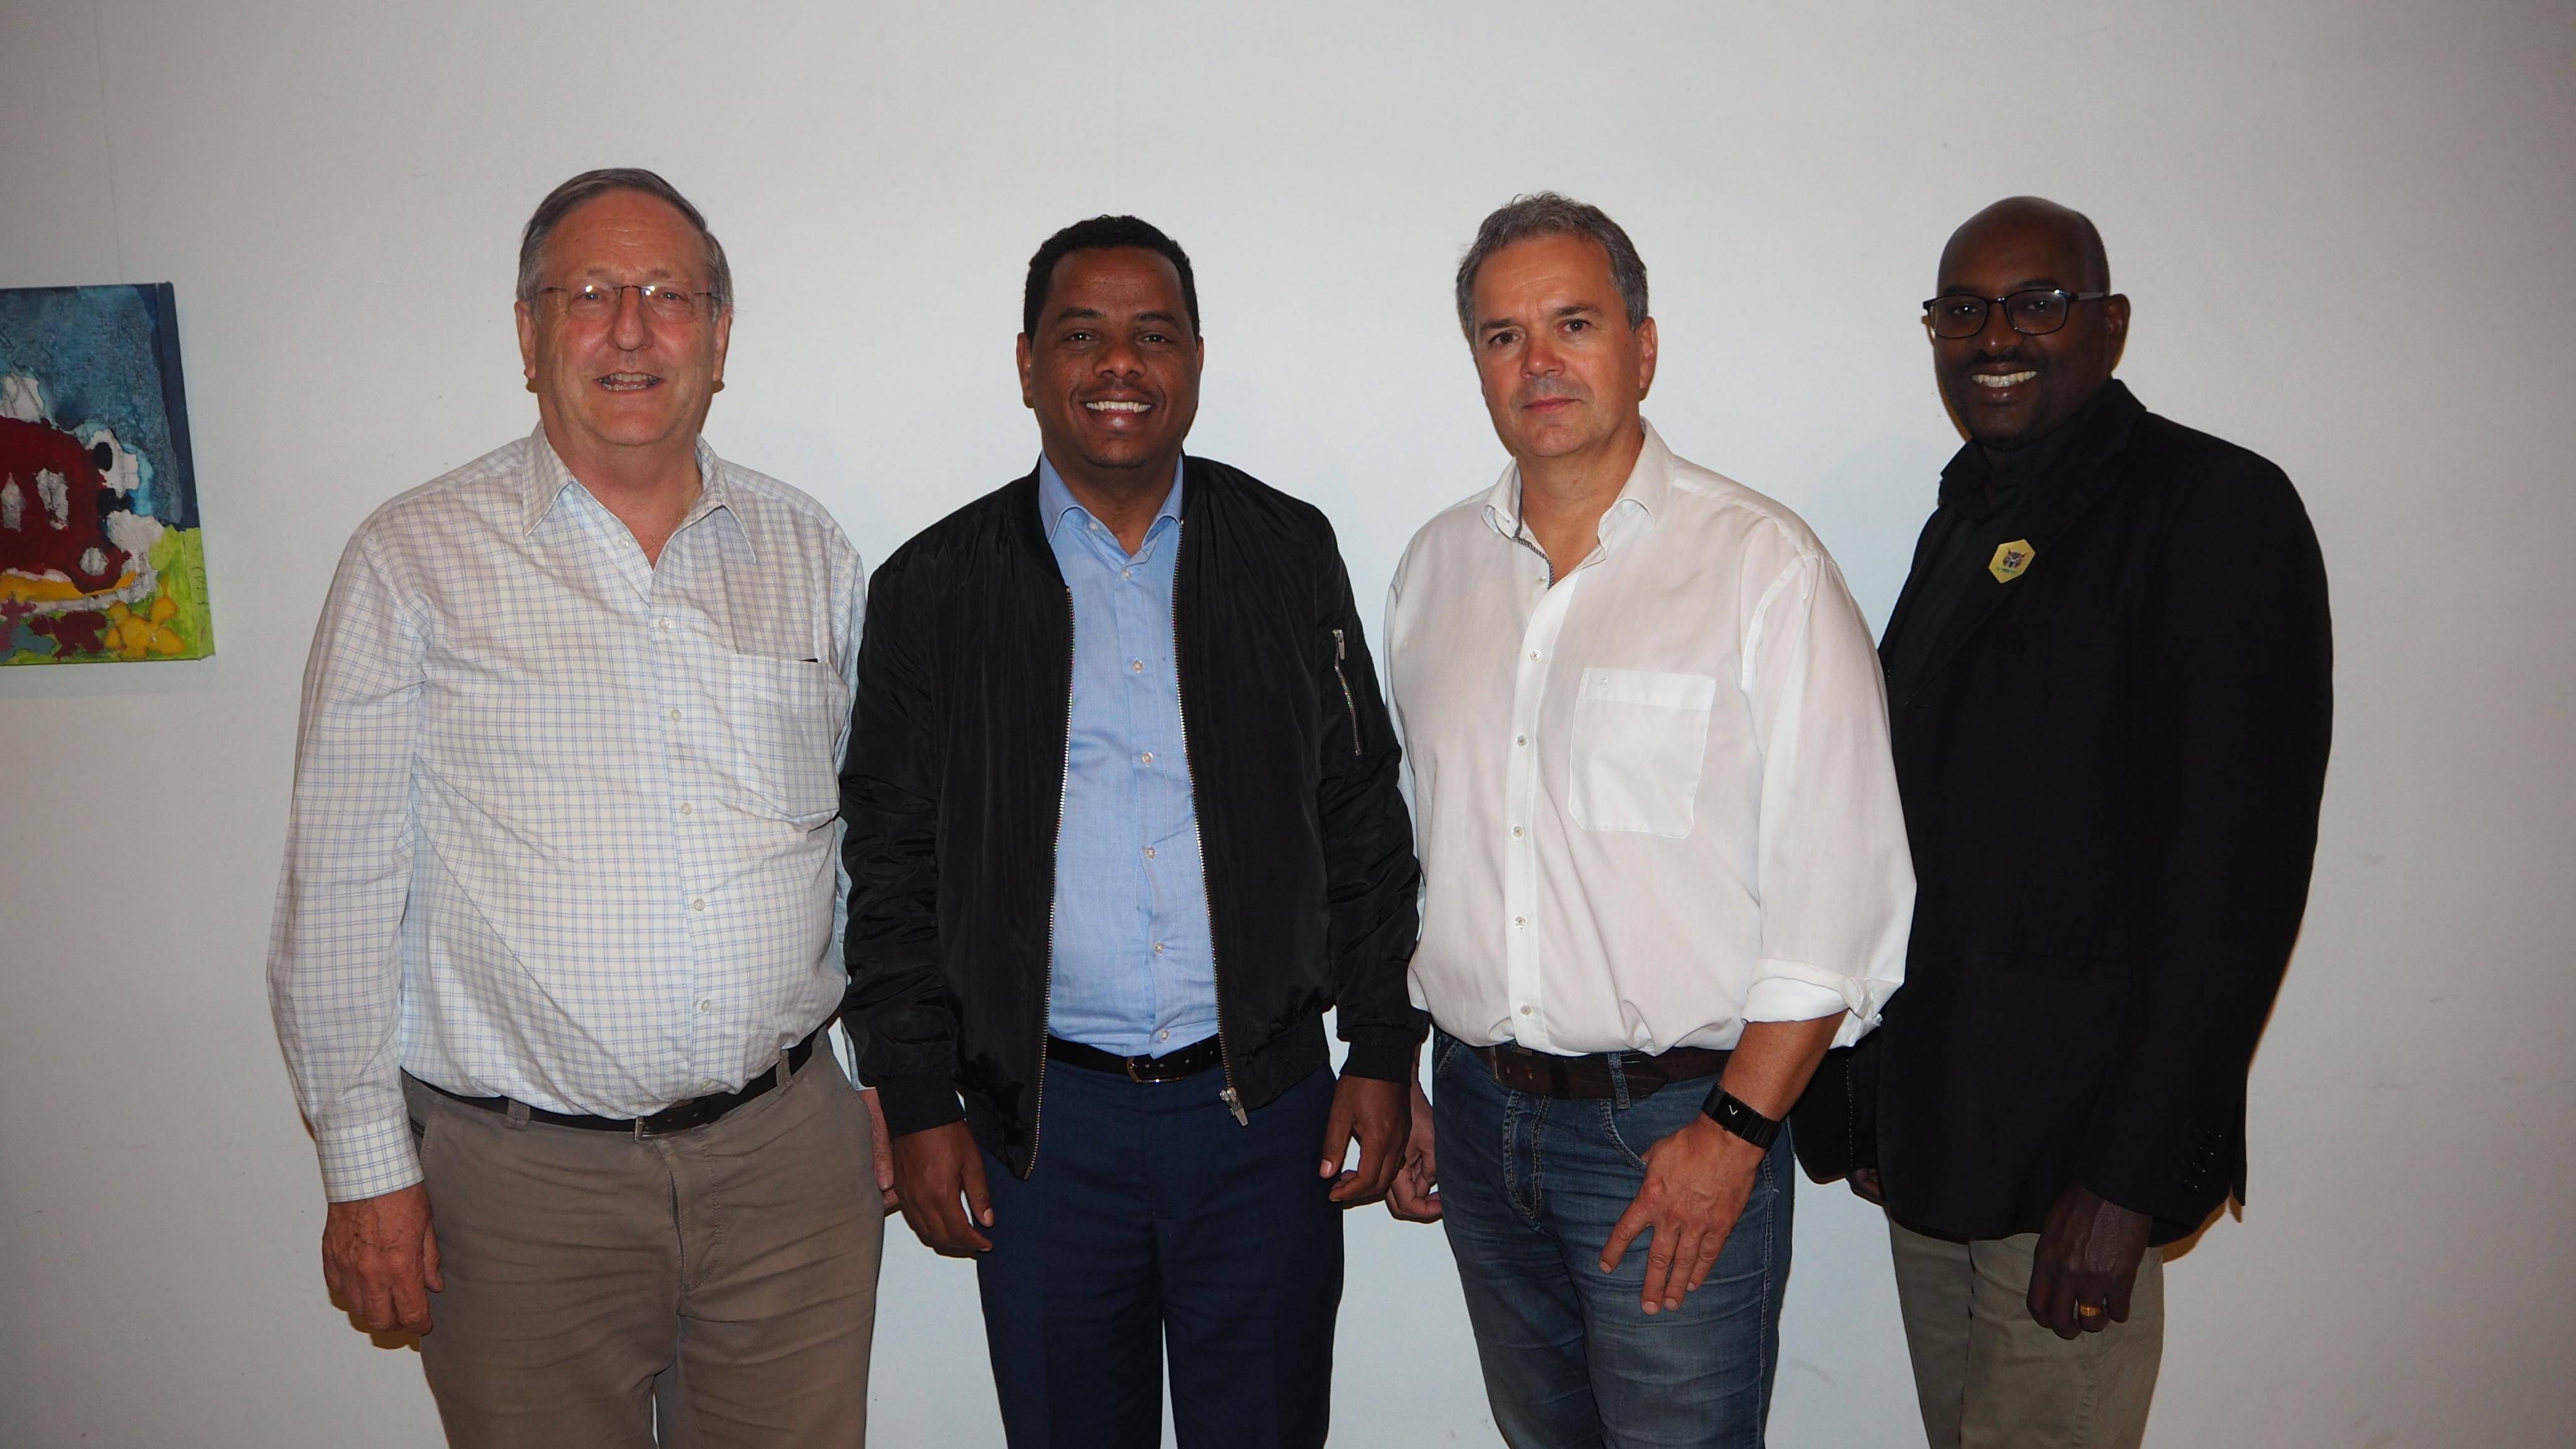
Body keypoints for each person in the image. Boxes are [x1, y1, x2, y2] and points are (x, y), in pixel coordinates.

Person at [267, 168, 887, 1447]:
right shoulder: (412, 560)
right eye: (589, 293)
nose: (629, 329)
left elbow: (867, 850)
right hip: (521, 1195)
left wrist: (892, 1075)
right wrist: (365, 1170)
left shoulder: (809, 551)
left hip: (787, 1169)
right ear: (528, 330)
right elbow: (338, 890)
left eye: (668, 295)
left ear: (719, 335)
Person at [840, 214, 1424, 1449]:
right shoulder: (933, 587)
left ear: (1195, 360)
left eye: (1153, 335)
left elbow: (1361, 812)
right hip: (1041, 1130)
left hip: (1262, 1114)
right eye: (1081, 336)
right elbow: (889, 866)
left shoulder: (1286, 550)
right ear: (1027, 363)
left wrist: (1382, 1047)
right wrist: (916, 1091)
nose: (1119, 364)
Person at [1381, 192, 1915, 1447]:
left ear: (1643, 346)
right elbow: (1426, 852)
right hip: (1475, 1113)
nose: (1538, 361)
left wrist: (1732, 1133)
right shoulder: (1433, 570)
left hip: (1676, 1125)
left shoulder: (1763, 569)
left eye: (1573, 323)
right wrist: (1406, 1071)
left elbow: (1840, 900)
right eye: (1503, 335)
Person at [1818, 196, 2333, 1449]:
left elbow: (2235, 880)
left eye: (2036, 304)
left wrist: (2125, 1179)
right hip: (1942, 1144)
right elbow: (1917, 833)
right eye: (1962, 310)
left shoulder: (2212, 507)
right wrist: (1878, 1102)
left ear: (2109, 324)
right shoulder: (1964, 519)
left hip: (2073, 1171)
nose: (1994, 336)